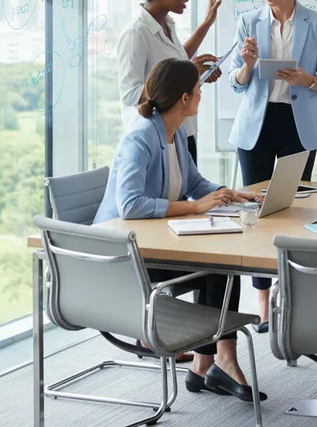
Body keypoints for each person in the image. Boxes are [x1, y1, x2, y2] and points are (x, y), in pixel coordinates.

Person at [95, 58, 267, 402]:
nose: (202, 95)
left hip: (153, 243)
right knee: (219, 265)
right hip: (125, 255)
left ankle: (211, 364)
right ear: (184, 99)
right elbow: (130, 205)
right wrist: (195, 207)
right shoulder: (140, 139)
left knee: (223, 262)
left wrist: (232, 194)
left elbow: (193, 182)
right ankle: (216, 363)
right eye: (199, 89)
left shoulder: (174, 135)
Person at [228, 0, 317, 330]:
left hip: (298, 124)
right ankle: (261, 302)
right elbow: (236, 84)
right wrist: (246, 65)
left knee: (291, 208)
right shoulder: (248, 21)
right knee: (257, 210)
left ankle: (290, 295)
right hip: (256, 126)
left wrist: (307, 80)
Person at [117, 0, 222, 166]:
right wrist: (189, 74)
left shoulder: (166, 23)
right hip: (157, 140)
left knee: (187, 195)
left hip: (182, 133)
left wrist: (207, 22)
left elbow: (178, 59)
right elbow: (130, 94)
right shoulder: (136, 33)